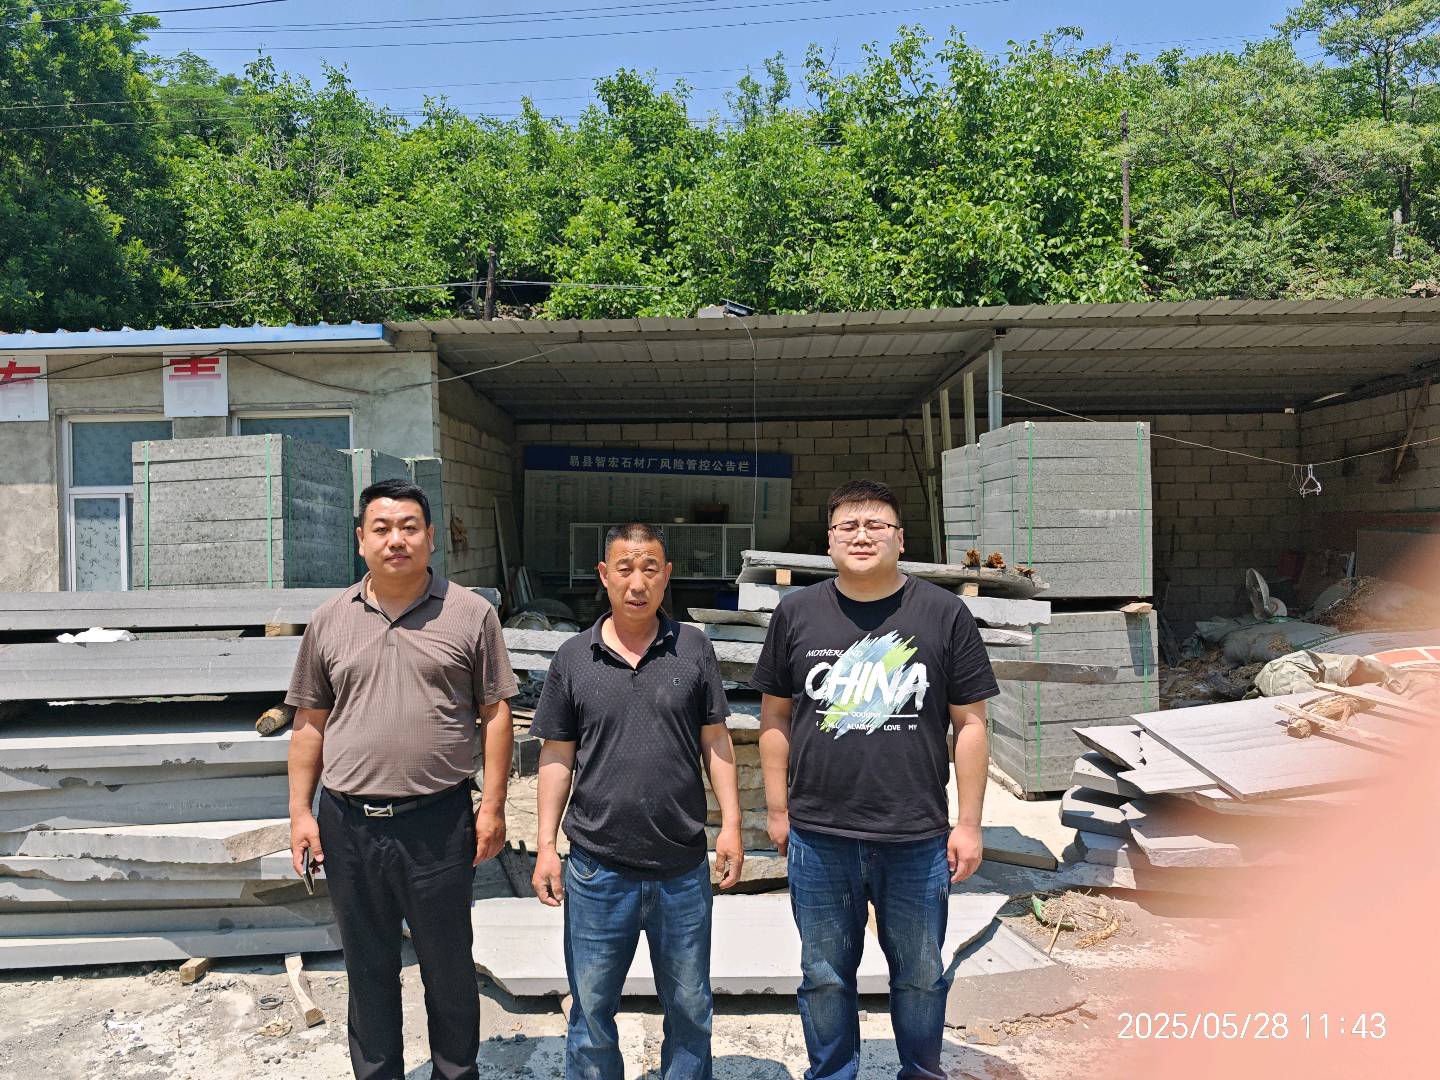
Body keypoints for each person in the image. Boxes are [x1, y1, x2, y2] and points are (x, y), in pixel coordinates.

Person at [752, 479, 998, 1080]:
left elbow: (970, 724)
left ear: (900, 539)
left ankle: (921, 1071)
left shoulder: (943, 614)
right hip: (819, 835)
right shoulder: (796, 613)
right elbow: (775, 718)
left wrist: (969, 824)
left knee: (920, 974)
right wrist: (778, 811)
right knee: (824, 975)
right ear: (829, 540)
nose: (862, 536)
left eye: (876, 525)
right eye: (848, 526)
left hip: (915, 835)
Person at [286, 477, 517, 1080]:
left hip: (437, 822)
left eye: (409, 527)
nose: (396, 540)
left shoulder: (470, 614)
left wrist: (493, 807)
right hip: (349, 824)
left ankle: (455, 1073)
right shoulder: (329, 620)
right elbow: (309, 724)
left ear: (430, 537)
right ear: (360, 539)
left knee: (448, 967)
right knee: (367, 967)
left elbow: (496, 714)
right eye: (382, 528)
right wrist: (301, 813)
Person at [529, 522, 745, 1080]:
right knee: (592, 1011)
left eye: (650, 568)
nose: (637, 582)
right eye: (624, 568)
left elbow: (716, 740)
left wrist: (731, 825)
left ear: (667, 575)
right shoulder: (574, 658)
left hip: (681, 869)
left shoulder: (693, 647)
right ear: (604, 575)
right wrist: (546, 846)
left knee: (691, 1007)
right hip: (597, 870)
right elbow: (556, 756)